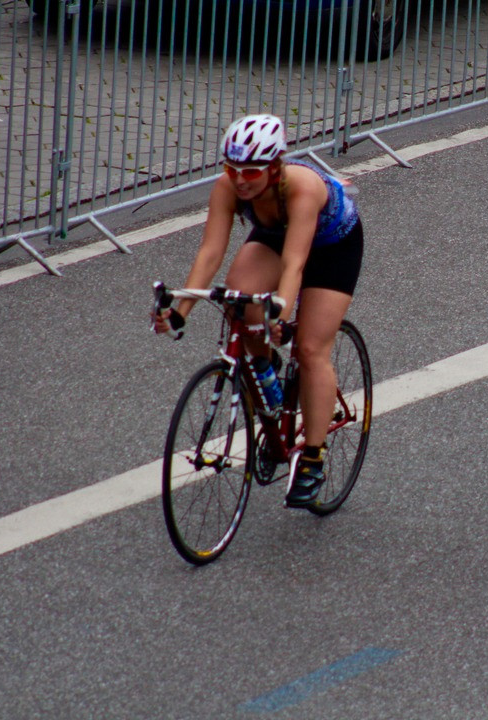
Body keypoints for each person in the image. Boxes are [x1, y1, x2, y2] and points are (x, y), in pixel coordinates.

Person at [152, 114, 363, 507]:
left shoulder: (301, 187)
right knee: (239, 296)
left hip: (332, 247)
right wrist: (181, 311)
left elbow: (294, 265)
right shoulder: (228, 187)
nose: (242, 179)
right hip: (275, 236)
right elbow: (210, 253)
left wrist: (280, 318)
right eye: (233, 169)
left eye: (252, 170)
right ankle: (269, 381)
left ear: (275, 165)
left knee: (311, 349)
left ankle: (313, 457)